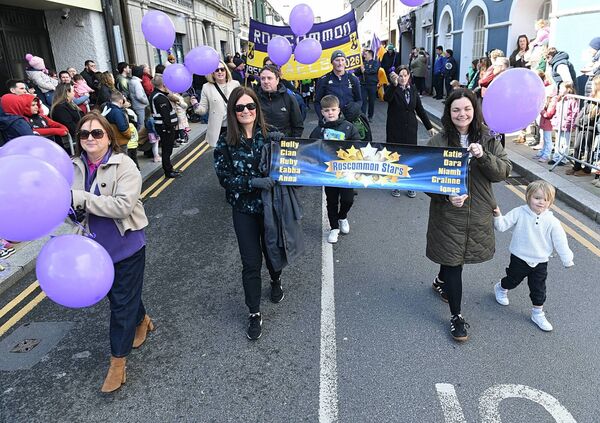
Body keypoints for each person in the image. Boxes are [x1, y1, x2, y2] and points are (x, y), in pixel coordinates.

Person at [71, 111, 152, 393]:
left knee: (120, 304)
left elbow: (122, 207)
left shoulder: (125, 165)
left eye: (97, 133)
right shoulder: (73, 167)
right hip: (92, 250)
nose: (90, 138)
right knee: (121, 297)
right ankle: (142, 319)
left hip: (125, 246)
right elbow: (68, 207)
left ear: (109, 137)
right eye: (84, 134)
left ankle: (117, 364)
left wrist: (81, 199)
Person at [426, 88, 511, 342]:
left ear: (475, 111)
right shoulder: (438, 142)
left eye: (466, 109)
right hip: (448, 215)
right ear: (448, 113)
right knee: (454, 260)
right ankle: (457, 316)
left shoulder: (488, 138)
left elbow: (503, 171)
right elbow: (427, 180)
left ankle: (441, 280)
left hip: (478, 211)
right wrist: (446, 196)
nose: (461, 114)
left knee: (454, 257)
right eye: (455, 110)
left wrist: (483, 156)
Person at [213, 86, 285, 340]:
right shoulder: (226, 141)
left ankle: (276, 281)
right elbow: (224, 177)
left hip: (269, 207)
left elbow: (294, 162)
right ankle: (254, 312)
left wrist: (283, 144)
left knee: (272, 251)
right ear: (233, 112)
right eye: (240, 107)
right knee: (251, 262)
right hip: (243, 209)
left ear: (257, 108)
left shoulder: (272, 135)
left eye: (250, 106)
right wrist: (251, 183)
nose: (246, 111)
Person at [492, 180, 573, 332]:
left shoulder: (552, 221)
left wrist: (567, 258)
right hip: (519, 257)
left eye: (546, 199)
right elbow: (502, 226)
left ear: (551, 202)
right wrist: (497, 215)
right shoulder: (519, 212)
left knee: (538, 289)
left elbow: (560, 241)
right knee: (512, 280)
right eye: (537, 198)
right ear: (528, 196)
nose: (541, 202)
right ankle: (501, 288)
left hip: (540, 261)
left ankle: (538, 313)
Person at [309, 95, 360, 244]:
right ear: (322, 112)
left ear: (338, 110)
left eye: (333, 109)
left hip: (346, 172)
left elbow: (358, 146)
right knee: (331, 200)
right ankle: (334, 228)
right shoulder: (318, 130)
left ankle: (342, 216)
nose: (330, 113)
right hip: (328, 173)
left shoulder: (349, 127)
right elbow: (310, 148)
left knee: (347, 199)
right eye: (326, 110)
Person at [384, 65, 435, 198]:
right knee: (395, 157)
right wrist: (394, 85)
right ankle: (396, 184)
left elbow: (420, 109)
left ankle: (410, 185)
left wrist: (429, 126)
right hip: (395, 128)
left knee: (409, 157)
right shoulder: (393, 89)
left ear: (409, 76)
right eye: (400, 76)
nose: (403, 78)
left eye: (405, 75)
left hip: (410, 128)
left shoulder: (412, 89)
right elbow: (386, 98)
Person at [191, 60, 240, 147]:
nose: (220, 72)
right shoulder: (206, 87)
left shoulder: (235, 84)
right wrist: (195, 104)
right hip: (218, 129)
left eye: (222, 69)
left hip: (235, 126)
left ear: (226, 71)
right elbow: (202, 110)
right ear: (212, 73)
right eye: (216, 70)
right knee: (221, 158)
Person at [255, 65, 303, 137]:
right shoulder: (254, 98)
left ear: (277, 80)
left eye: (269, 78)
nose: (266, 81)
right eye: (263, 78)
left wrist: (290, 143)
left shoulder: (289, 98)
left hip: (284, 144)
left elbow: (298, 126)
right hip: (261, 142)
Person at [566, 75, 600, 176]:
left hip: (591, 126)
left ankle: (587, 169)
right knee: (577, 146)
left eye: (593, 84)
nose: (591, 86)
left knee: (588, 148)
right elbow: (583, 110)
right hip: (582, 124)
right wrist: (577, 121)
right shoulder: (591, 96)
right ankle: (576, 166)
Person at [314, 50, 362, 120]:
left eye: (342, 60)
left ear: (346, 62)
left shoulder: (353, 79)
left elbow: (359, 100)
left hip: (350, 120)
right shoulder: (324, 80)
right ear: (332, 62)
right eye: (337, 60)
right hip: (331, 120)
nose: (340, 63)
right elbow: (317, 102)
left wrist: (355, 108)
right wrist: (322, 118)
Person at [150, 74, 181, 179]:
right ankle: (168, 171)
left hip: (162, 127)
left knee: (166, 149)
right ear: (163, 84)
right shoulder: (160, 98)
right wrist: (168, 128)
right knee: (167, 150)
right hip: (165, 128)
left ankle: (169, 168)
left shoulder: (156, 94)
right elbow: (165, 116)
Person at [549, 82, 579, 166]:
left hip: (567, 124)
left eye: (562, 88)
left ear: (568, 89)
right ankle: (556, 157)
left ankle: (563, 158)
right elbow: (557, 111)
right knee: (558, 141)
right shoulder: (560, 99)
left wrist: (573, 124)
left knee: (565, 142)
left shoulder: (573, 100)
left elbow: (575, 113)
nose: (560, 90)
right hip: (559, 123)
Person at [535, 85, 558, 162]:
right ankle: (543, 152)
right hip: (544, 122)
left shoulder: (553, 100)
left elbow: (549, 114)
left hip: (548, 122)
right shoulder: (547, 99)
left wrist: (542, 111)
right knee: (545, 139)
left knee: (548, 139)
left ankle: (546, 154)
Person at [355, 49, 380, 121]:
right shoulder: (362, 63)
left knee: (371, 101)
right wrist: (360, 69)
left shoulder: (375, 62)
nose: (364, 55)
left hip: (372, 85)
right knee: (363, 100)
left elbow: (374, 70)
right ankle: (363, 116)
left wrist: (365, 71)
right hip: (363, 84)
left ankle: (370, 116)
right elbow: (357, 73)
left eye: (365, 54)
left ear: (370, 54)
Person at [129, 66, 149, 131]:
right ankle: (140, 139)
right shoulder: (136, 83)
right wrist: (147, 101)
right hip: (140, 106)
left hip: (136, 105)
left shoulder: (131, 81)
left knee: (140, 123)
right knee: (141, 124)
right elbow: (139, 96)